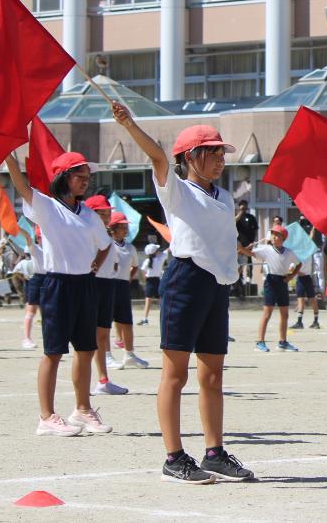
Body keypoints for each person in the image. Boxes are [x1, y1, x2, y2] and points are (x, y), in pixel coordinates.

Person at [112, 103, 253, 483]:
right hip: (185, 280)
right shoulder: (176, 190)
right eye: (214, 152)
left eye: (223, 153)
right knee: (175, 374)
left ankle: (214, 453)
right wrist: (129, 124)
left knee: (213, 376)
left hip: (217, 286)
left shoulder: (223, 197)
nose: (221, 159)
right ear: (192, 156)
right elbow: (158, 155)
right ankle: (174, 457)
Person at [5, 151, 114, 436]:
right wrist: (9, 159)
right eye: (80, 176)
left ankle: (82, 409)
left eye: (88, 178)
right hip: (57, 285)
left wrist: (94, 267)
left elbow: (105, 245)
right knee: (53, 352)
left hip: (85, 285)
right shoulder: (47, 207)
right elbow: (21, 185)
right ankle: (46, 416)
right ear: (64, 177)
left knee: (86, 349)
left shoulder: (89, 215)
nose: (85, 183)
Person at [87, 196, 129, 396]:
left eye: (107, 212)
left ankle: (103, 380)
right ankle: (94, 380)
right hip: (93, 283)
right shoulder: (87, 232)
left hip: (108, 283)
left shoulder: (106, 235)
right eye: (101, 213)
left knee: (103, 334)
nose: (106, 216)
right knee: (90, 336)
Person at [242, 225, 300, 353]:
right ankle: (260, 341)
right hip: (271, 281)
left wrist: (291, 276)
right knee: (267, 313)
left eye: (277, 235)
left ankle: (283, 342)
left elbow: (298, 263)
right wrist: (242, 248)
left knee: (284, 314)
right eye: (273, 234)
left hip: (282, 281)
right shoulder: (266, 249)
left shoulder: (289, 252)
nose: (273, 236)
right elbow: (250, 253)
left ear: (283, 238)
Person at [107, 212, 146, 369]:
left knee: (126, 322)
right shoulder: (107, 245)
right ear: (113, 229)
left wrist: (127, 277)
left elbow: (135, 266)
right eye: (122, 227)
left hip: (123, 286)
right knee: (105, 324)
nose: (126, 229)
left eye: (126, 226)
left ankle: (129, 354)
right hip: (108, 284)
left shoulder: (130, 247)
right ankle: (107, 355)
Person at [18, 228, 46, 350]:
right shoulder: (35, 248)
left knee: (48, 312)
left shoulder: (53, 248)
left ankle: (49, 337)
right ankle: (26, 338)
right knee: (31, 310)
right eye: (41, 237)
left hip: (51, 278)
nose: (44, 239)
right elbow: (28, 237)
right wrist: (17, 227)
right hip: (38, 278)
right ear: (38, 238)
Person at [291, 249, 320, 330]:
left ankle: (299, 322)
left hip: (301, 278)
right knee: (312, 300)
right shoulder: (309, 254)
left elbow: (292, 268)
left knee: (301, 300)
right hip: (308, 277)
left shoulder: (298, 255)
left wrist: (295, 272)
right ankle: (316, 321)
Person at [139, 242, 167, 326]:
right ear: (155, 252)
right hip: (158, 280)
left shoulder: (147, 261)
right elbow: (167, 251)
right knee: (161, 301)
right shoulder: (160, 258)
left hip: (149, 281)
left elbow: (143, 271)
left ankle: (145, 319)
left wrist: (145, 280)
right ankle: (165, 317)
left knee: (148, 301)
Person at [235, 200, 259, 288]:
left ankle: (249, 279)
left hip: (248, 245)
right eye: (242, 207)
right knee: (238, 263)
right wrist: (240, 213)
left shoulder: (251, 217)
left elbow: (255, 230)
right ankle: (237, 281)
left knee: (249, 261)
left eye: (245, 207)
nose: (244, 209)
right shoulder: (237, 217)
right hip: (238, 245)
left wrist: (253, 242)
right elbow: (232, 223)